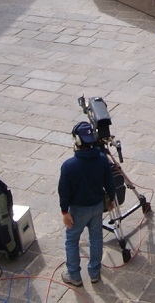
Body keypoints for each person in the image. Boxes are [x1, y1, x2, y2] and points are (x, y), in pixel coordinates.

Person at [60, 121, 116, 287]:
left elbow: (63, 191)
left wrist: (64, 212)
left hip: (78, 210)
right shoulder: (101, 159)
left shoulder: (69, 166)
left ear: (77, 141)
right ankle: (94, 273)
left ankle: (74, 276)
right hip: (97, 206)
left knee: (71, 241)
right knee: (96, 238)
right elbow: (110, 182)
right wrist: (111, 199)